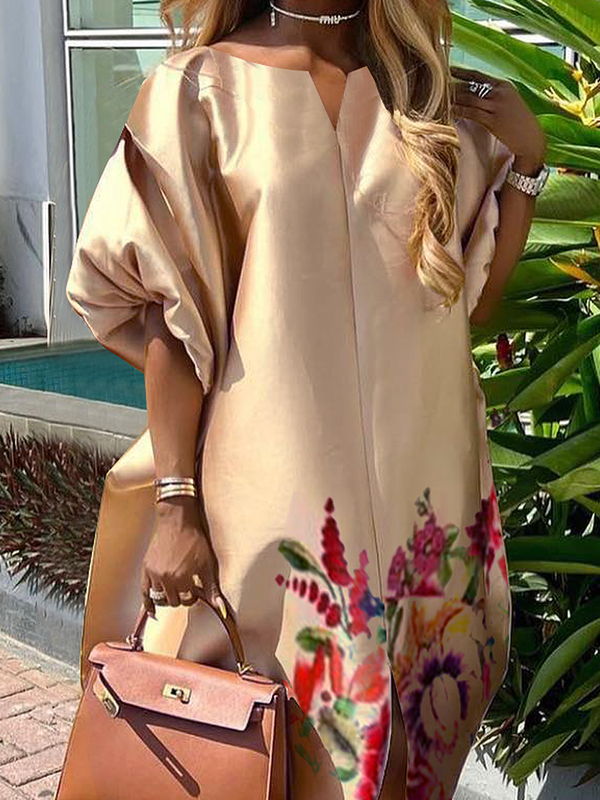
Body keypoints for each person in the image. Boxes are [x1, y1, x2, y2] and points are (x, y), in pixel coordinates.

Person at [65, 1, 548, 798]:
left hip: (424, 501)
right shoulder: (196, 93)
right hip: (272, 509)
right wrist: (177, 504)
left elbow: (476, 298)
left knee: (408, 753)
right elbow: (170, 318)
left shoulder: (425, 97)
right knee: (267, 750)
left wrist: (525, 161)